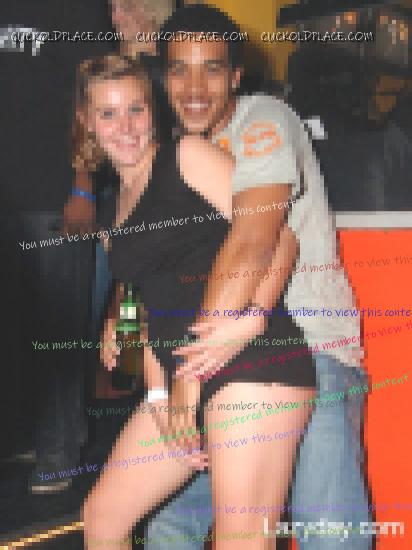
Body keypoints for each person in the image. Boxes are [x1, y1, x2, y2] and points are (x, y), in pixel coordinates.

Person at [144, 4, 372, 549]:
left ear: (236, 76)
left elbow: (255, 238)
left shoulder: (264, 119)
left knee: (329, 536)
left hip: (311, 345)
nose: (194, 88)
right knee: (169, 526)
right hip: (229, 356)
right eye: (179, 69)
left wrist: (189, 373)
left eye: (212, 69)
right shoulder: (178, 153)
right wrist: (131, 329)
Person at [79, 52, 316, 549]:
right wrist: (158, 396)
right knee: (103, 520)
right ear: (88, 123)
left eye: (136, 109)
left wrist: (254, 316)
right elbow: (151, 307)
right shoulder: (111, 209)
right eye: (108, 113)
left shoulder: (186, 156)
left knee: (240, 540)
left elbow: (279, 238)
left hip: (252, 362)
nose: (126, 126)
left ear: (153, 110)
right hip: (181, 377)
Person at [0, 0, 115, 493]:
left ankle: (60, 450)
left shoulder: (78, 9)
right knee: (17, 327)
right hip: (8, 193)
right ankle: (30, 433)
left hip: (54, 191)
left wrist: (83, 185)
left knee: (59, 330)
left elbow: (95, 94)